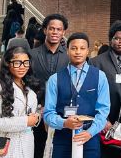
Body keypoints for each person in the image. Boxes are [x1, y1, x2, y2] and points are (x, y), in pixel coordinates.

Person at [43, 32, 110, 158]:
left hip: (90, 138)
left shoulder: (100, 76)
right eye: (74, 48)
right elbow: (48, 114)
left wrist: (90, 133)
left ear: (88, 51)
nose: (78, 52)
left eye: (82, 48)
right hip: (62, 139)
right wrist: (64, 123)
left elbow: (103, 110)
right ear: (67, 51)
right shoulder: (54, 79)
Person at [89, 20, 121, 157]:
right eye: (117, 38)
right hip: (105, 123)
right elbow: (90, 94)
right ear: (111, 40)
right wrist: (102, 119)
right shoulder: (96, 62)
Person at [0, 46, 41, 158]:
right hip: (5, 147)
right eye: (17, 63)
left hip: (27, 143)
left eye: (26, 63)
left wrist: (35, 117)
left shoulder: (29, 87)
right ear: (8, 64)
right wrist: (25, 121)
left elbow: (28, 113)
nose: (22, 67)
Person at [30, 14, 71, 158]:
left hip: (62, 112)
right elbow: (27, 82)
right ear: (45, 30)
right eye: (52, 29)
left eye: (59, 29)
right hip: (37, 111)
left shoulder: (69, 57)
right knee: (37, 149)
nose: (55, 32)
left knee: (60, 150)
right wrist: (40, 105)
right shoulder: (32, 54)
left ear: (63, 32)